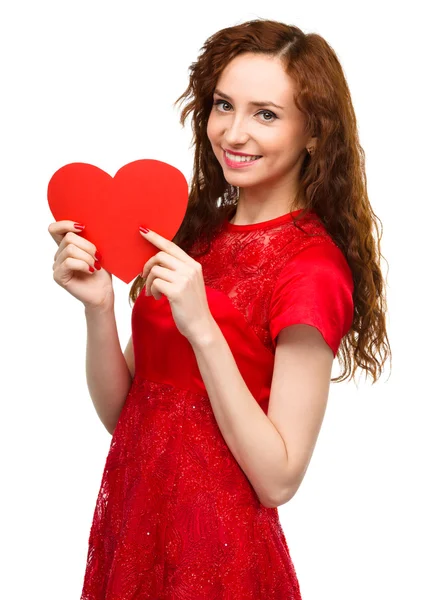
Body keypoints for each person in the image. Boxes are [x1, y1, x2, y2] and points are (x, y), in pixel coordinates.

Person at [49, 18, 392, 599]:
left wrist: (203, 326)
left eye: (266, 114)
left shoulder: (311, 268)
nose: (233, 132)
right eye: (223, 105)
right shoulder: (194, 234)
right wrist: (99, 308)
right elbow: (128, 417)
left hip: (218, 550)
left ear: (315, 134)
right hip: (134, 524)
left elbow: (279, 479)